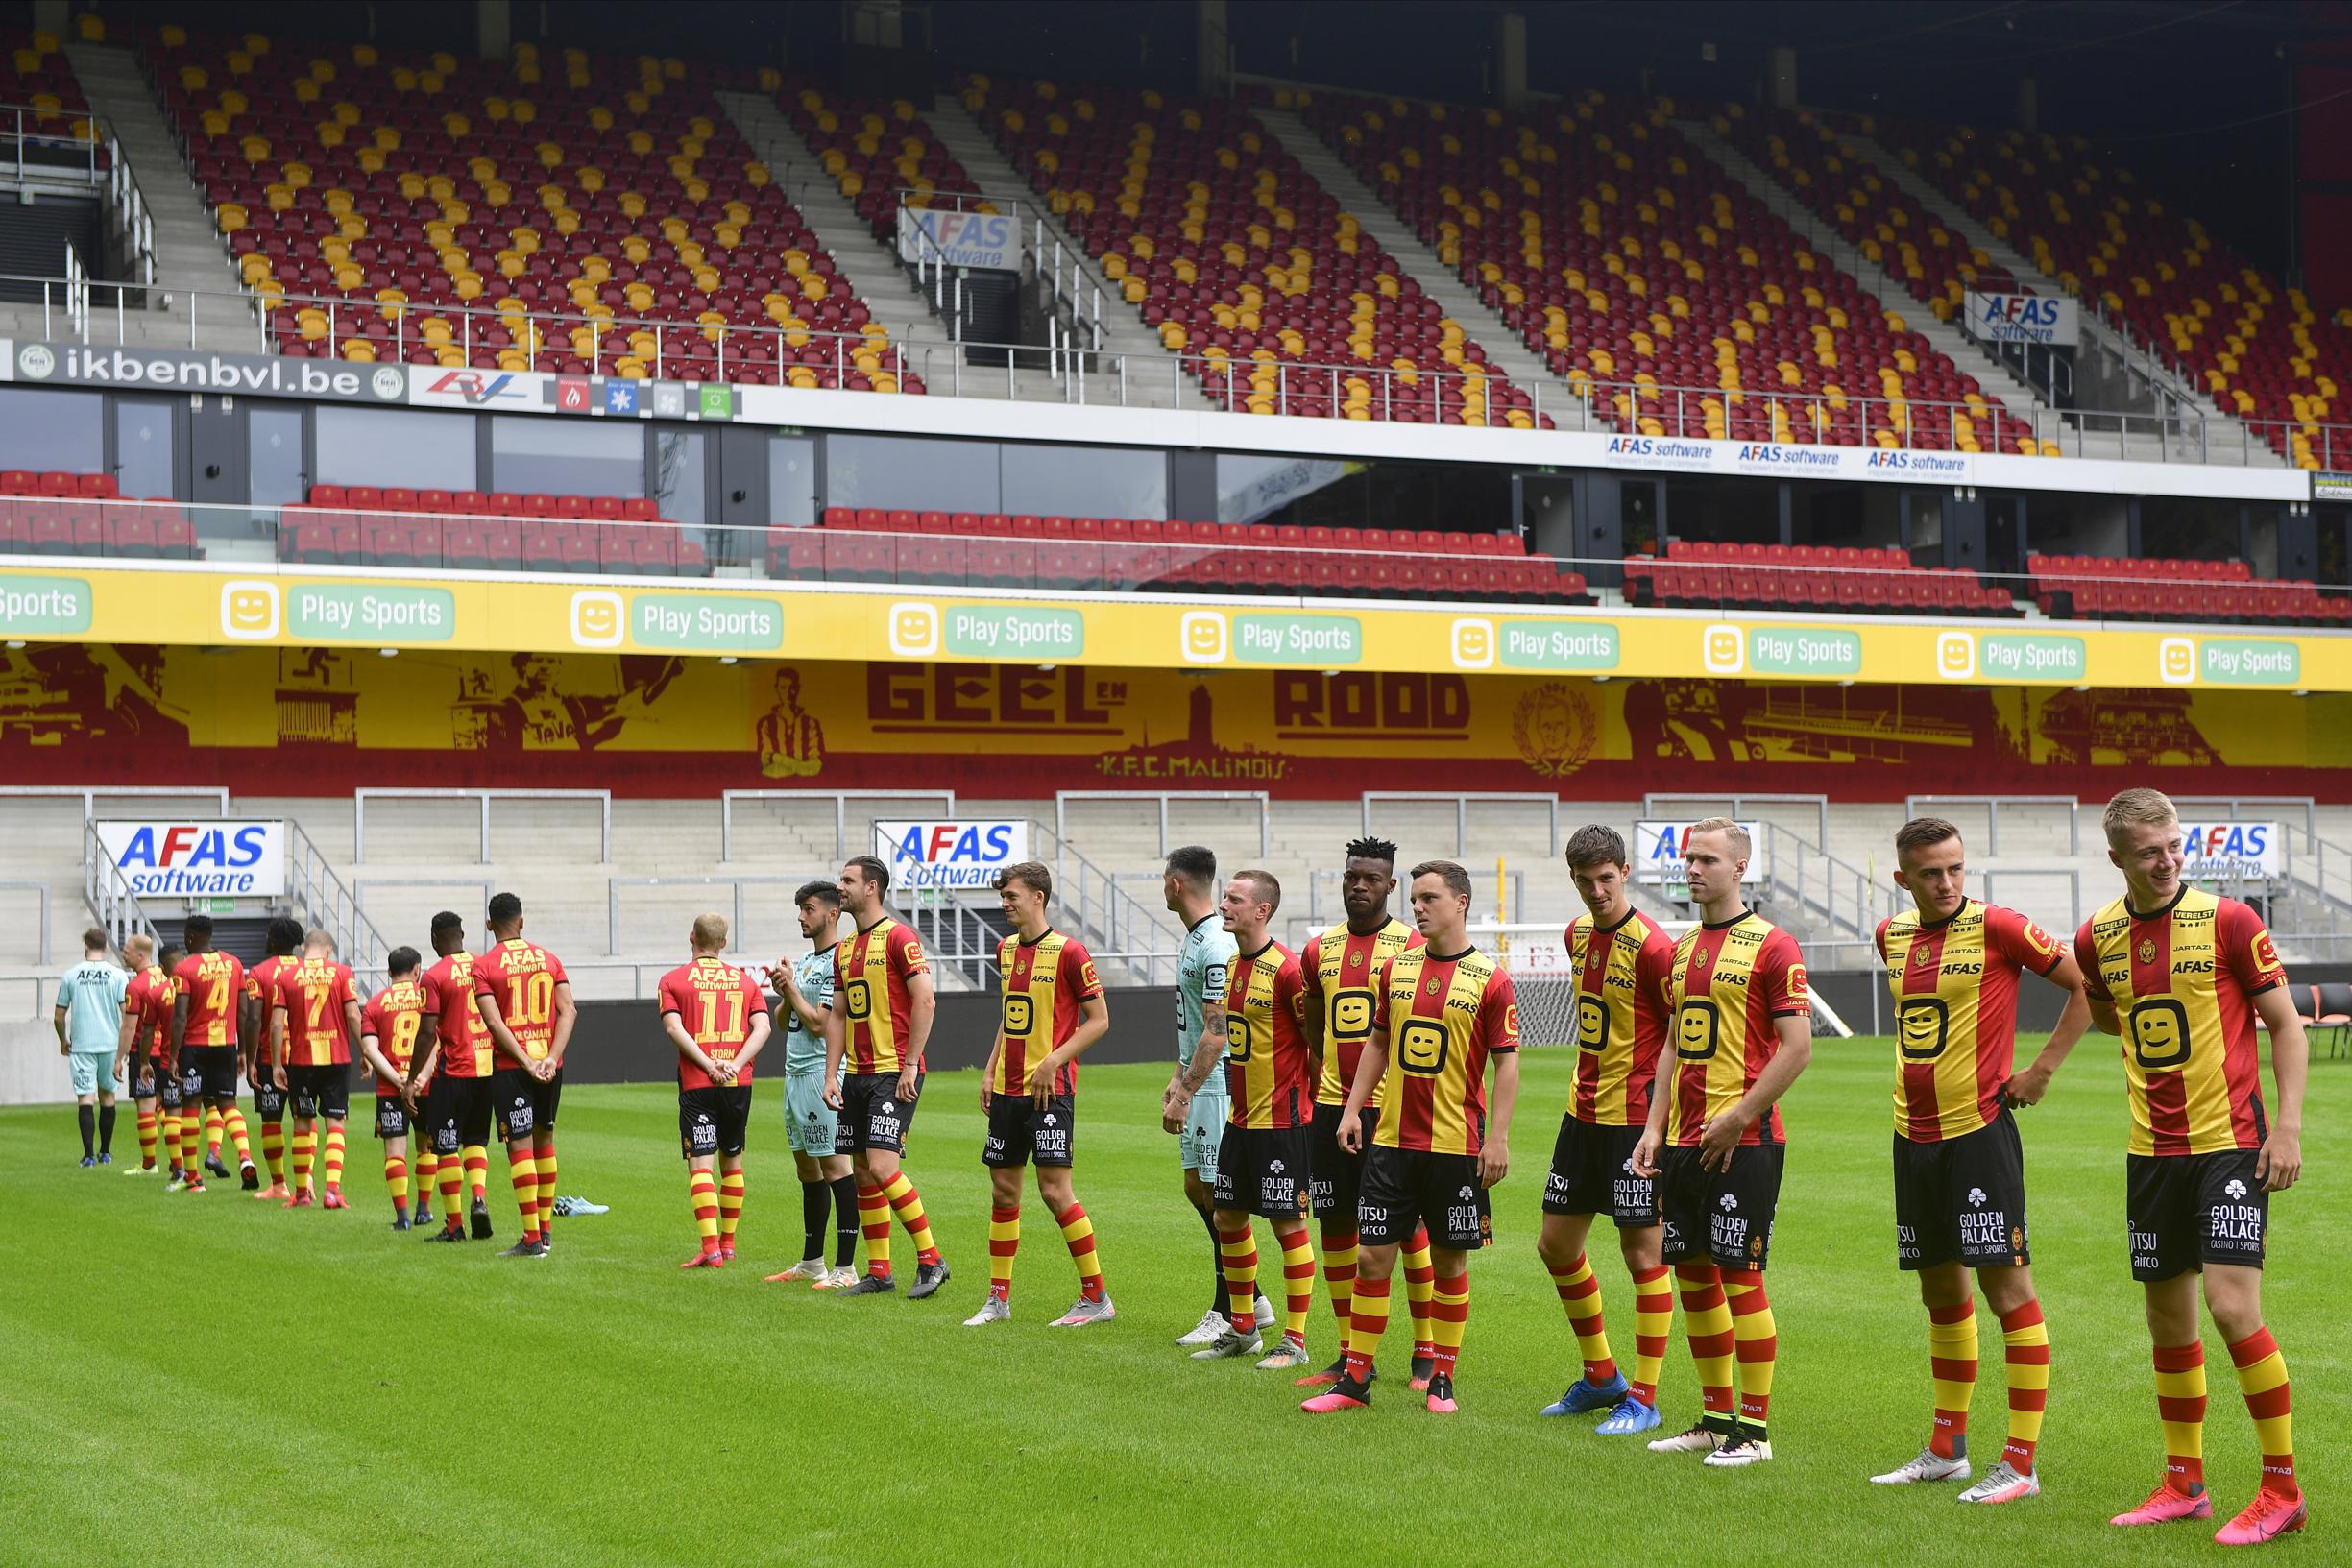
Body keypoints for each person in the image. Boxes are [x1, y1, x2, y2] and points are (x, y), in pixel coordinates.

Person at [2081, 789, 2307, 1545]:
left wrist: (2288, 1130)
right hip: (2150, 1152)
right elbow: (2107, 1008)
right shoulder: (2097, 936)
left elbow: (2283, 1023)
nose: (2166, 859)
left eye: (2173, 844)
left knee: (2230, 1306)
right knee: (2165, 1318)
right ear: (2115, 856)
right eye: (2148, 850)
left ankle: (2281, 1488)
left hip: (2230, 1143)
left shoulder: (2228, 920)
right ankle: (2184, 1481)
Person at [1868, 817, 2090, 1504]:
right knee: (1940, 1292)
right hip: (1913, 1137)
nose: (1945, 883)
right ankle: (1946, 1450)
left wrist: (2041, 1069)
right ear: (1902, 877)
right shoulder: (1890, 935)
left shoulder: (2001, 927)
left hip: (1977, 1133)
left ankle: (2019, 1463)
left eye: (1955, 868)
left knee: (2006, 1292)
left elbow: (2085, 987)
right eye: (1930, 872)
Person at [1304, 859, 1520, 1417]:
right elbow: (1377, 1045)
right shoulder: (1397, 970)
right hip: (1392, 1144)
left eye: (1430, 898)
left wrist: (1496, 1139)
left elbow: (1507, 1064)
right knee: (1373, 1257)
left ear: (1461, 903)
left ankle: (1442, 1377)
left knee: (1449, 1264)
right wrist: (1352, 1110)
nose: (1419, 908)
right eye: (1416, 899)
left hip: (1454, 1148)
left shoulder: (1490, 980)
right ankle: (1355, 1380)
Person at [1633, 818, 1811, 1469]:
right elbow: (1674, 1044)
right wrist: (1653, 1126)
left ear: (1739, 867)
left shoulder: (1772, 944)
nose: (1693, 868)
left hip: (1746, 1140)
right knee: (1694, 1280)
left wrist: (1739, 1115)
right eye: (1689, 858)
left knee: (1740, 1278)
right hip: (1683, 1140)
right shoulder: (1680, 949)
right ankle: (1713, 1419)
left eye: (1707, 858)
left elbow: (1797, 1048)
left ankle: (1754, 1432)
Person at [1536, 826, 1678, 1434]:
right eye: (1585, 880)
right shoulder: (1575, 935)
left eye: (1607, 878)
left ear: (1624, 872)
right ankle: (1601, 1377)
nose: (1596, 890)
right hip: (1581, 1115)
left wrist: (1659, 1126)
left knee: (1643, 1254)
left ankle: (1643, 1397)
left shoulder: (1654, 948)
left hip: (1633, 1125)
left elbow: (1680, 1035)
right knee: (1556, 1245)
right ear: (1572, 879)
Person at [1296, 837, 1437, 1390]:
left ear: (1391, 886)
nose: (1360, 886)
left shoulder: (1412, 945)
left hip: (1393, 1110)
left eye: (1372, 879)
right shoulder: (1319, 950)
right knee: (1335, 1226)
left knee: (1408, 1232)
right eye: (1353, 876)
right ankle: (1352, 1352)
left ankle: (1425, 1351)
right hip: (1332, 1107)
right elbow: (1312, 1016)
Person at [965, 860, 1116, 1328]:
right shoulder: (1005, 950)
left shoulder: (1071, 952)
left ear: (1038, 897)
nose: (1004, 903)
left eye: (1011, 895)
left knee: (1055, 1192)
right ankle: (998, 1298)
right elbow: (1010, 1016)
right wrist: (990, 1069)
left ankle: (1096, 1297)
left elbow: (1100, 1020)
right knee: (1004, 1190)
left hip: (1052, 1092)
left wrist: (1054, 1060)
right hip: (1009, 1089)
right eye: (1002, 896)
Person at [1194, 870, 1318, 1369]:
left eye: (1234, 899)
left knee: (1289, 1226)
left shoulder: (1288, 970)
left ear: (1262, 910)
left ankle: (1296, 1339)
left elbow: (1316, 1046)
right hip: (1240, 1119)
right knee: (1228, 1217)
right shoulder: (1232, 964)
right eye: (1225, 896)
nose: (1224, 905)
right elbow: (1219, 1032)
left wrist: (1306, 1102)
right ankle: (1243, 1328)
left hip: (1284, 1123)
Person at [824, 855, 949, 1299]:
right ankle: (879, 1270)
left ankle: (932, 1258)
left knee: (881, 1166)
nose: (840, 887)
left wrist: (912, 1062)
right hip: (855, 1074)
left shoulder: (899, 937)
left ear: (872, 887)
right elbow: (838, 1014)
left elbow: (926, 1000)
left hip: (893, 1072)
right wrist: (830, 1075)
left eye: (848, 880)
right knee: (862, 1171)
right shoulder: (844, 949)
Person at [1161, 844, 1271, 1350]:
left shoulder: (1215, 946)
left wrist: (1188, 1088)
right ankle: (1255, 1297)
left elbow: (1217, 1029)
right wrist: (1178, 1073)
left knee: (1220, 1198)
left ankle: (1230, 1308)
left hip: (1219, 1082)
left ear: (1176, 884)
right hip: (1199, 1080)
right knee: (1198, 1191)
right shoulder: (1197, 938)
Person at [660, 914, 774, 1269]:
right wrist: (736, 1064)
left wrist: (708, 1064)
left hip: (699, 1082)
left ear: (691, 937)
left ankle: (709, 1247)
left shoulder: (673, 980)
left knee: (701, 1165)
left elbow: (674, 1029)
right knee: (733, 1160)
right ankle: (728, 1243)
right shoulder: (745, 982)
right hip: (737, 1083)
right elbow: (764, 1027)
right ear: (724, 943)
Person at [764, 880, 861, 1289]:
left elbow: (822, 1025)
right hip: (794, 1072)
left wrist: (792, 994)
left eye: (808, 909)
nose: (801, 916)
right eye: (800, 909)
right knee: (808, 1169)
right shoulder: (805, 961)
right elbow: (785, 1021)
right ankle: (811, 1262)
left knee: (836, 1166)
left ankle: (846, 1267)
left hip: (824, 1072)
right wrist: (784, 991)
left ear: (831, 913)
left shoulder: (840, 959)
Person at [474, 892, 576, 1260]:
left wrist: (525, 1061)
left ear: (490, 925)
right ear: (522, 921)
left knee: (519, 1147)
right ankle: (545, 1233)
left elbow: (493, 1022)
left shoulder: (484, 966)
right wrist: (550, 1057)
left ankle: (531, 1238)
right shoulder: (549, 959)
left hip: (512, 1070)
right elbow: (569, 1011)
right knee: (544, 1141)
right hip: (551, 1066)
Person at [411, 911, 496, 1242]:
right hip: (486, 1069)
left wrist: (413, 1077)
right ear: (462, 933)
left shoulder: (434, 976)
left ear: (434, 940)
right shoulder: (484, 965)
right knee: (476, 1140)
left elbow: (427, 1032)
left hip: (454, 1070)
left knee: (446, 1147)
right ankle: (478, 1196)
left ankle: (454, 1224)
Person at [268, 929, 363, 1211]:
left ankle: (300, 1193)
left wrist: (276, 1064)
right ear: (328, 949)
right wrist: (366, 1052)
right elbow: (353, 1014)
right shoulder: (342, 973)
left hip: (300, 1060)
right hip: (336, 1059)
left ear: (303, 948)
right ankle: (332, 1192)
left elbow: (275, 1024)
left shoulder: (285, 976)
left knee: (302, 1124)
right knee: (335, 1124)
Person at [359, 947, 439, 1230]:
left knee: (395, 1152)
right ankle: (423, 1210)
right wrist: (421, 1078)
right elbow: (435, 1039)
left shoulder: (374, 1004)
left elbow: (370, 1049)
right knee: (427, 1146)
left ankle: (402, 1217)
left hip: (390, 1088)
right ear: (417, 969)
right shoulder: (426, 999)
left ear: (389, 972)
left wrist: (397, 1079)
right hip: (425, 1086)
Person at [169, 916, 249, 1194]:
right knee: (228, 1104)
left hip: (195, 1047)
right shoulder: (234, 963)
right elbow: (242, 1011)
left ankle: (193, 1179)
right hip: (226, 1044)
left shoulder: (185, 968)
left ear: (191, 936)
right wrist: (242, 1050)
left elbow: (180, 1017)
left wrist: (172, 1056)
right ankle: (245, 1157)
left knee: (190, 1107)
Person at [242, 916, 306, 1199]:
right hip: (307, 1057)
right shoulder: (307, 970)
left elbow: (254, 1019)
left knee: (271, 1120)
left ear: (275, 940)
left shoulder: (259, 972)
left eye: (269, 934)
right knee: (304, 1119)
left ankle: (279, 1185)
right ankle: (307, 1183)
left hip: (273, 1057)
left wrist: (251, 1058)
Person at [56, 927, 128, 1167]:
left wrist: (63, 1040)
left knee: (86, 1098)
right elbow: (126, 1012)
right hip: (109, 1044)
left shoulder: (71, 975)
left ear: (85, 945)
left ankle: (88, 1156)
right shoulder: (118, 975)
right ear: (106, 947)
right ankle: (105, 1152)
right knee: (108, 1095)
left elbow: (58, 1015)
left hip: (83, 1044)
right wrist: (124, 1046)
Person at [112, 937, 183, 1178]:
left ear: (140, 955)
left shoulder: (136, 987)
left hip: (144, 1052)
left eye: (127, 952)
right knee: (166, 1106)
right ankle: (178, 1159)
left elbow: (130, 1028)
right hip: (167, 1052)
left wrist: (118, 1059)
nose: (124, 955)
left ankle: (149, 1163)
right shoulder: (166, 978)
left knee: (145, 1107)